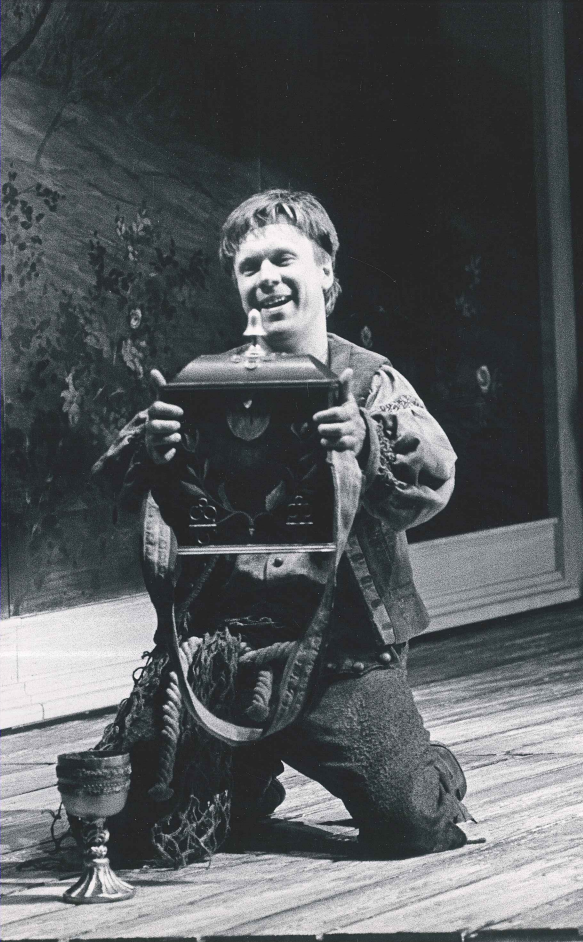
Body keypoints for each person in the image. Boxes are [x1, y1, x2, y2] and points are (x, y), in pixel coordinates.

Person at [92, 189, 472, 863]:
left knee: (411, 819)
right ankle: (242, 784)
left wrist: (366, 443)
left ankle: (419, 763)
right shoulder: (205, 385)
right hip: (223, 659)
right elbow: (112, 478)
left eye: (283, 259)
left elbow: (434, 480)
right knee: (126, 825)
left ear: (325, 272)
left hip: (337, 664)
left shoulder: (369, 384)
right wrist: (152, 451)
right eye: (249, 266)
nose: (265, 276)